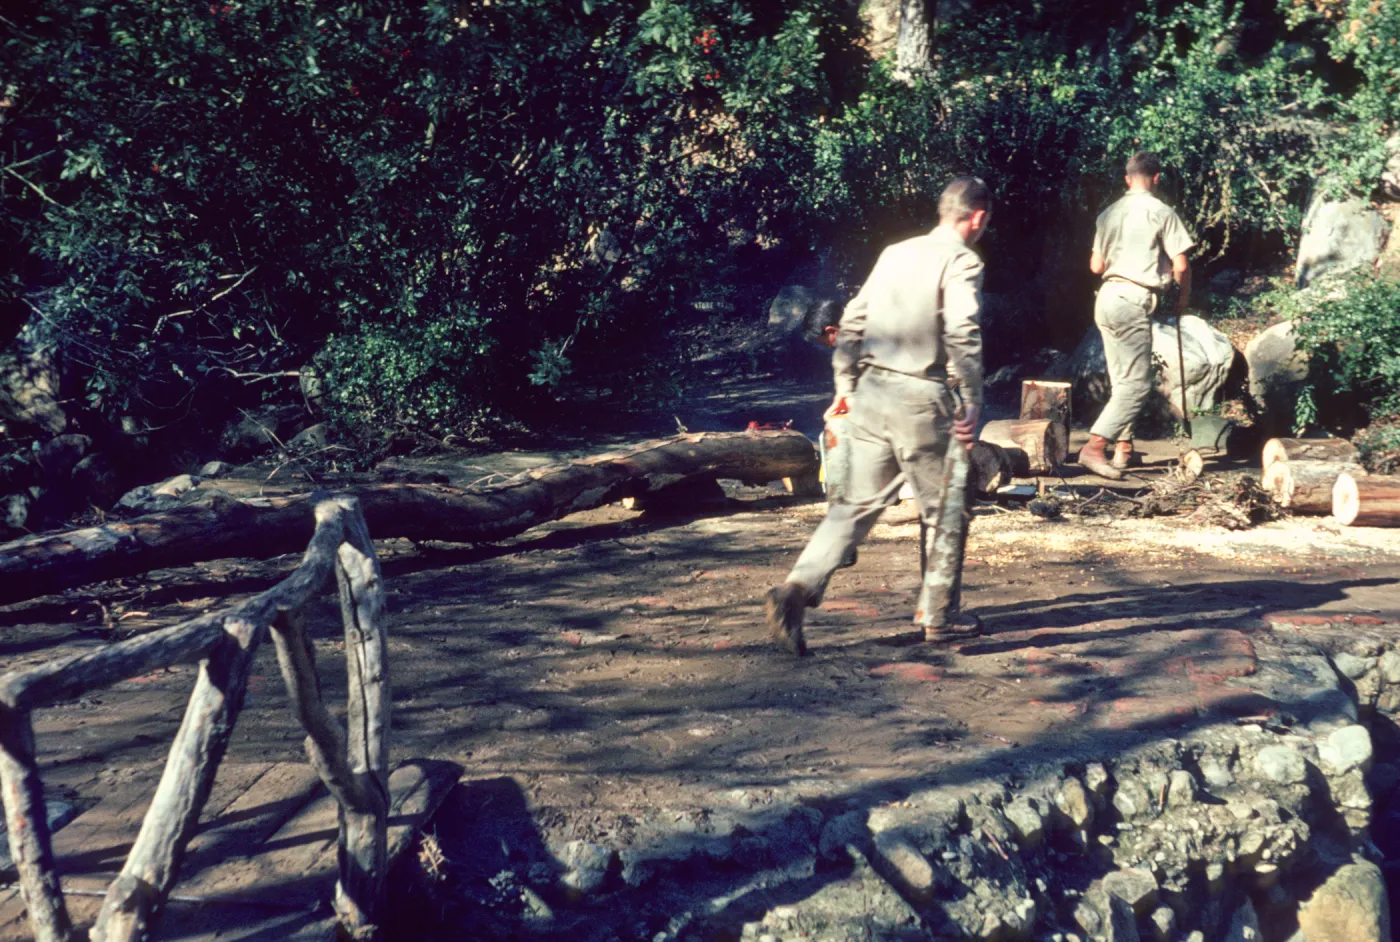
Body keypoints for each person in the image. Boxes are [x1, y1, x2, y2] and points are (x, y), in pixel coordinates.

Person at [764, 176, 991, 657]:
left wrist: (845, 386)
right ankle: (940, 616)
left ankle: (797, 588)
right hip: (920, 396)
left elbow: (851, 323)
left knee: (854, 507)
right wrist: (972, 398)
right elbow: (963, 329)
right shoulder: (962, 260)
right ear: (977, 218)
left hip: (871, 391)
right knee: (947, 506)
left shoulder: (896, 252)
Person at [1080, 151, 1196, 479]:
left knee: (1122, 380)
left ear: (1127, 178)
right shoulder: (1162, 212)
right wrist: (1183, 297)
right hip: (1133, 298)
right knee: (1137, 385)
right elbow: (1182, 265)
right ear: (1157, 178)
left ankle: (1123, 449)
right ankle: (1094, 447)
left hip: (1106, 297)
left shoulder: (1107, 214)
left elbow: (1095, 266)